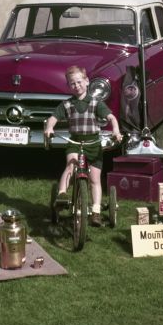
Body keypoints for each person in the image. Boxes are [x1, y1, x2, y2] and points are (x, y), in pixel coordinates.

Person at [43, 65, 122, 227]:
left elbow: (111, 117)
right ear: (69, 86)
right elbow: (53, 118)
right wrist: (49, 127)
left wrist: (115, 130)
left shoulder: (96, 103)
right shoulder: (66, 105)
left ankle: (96, 211)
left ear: (87, 82)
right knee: (71, 165)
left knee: (94, 179)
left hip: (93, 144)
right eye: (72, 84)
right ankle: (63, 194)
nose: (76, 86)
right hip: (75, 142)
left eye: (79, 82)